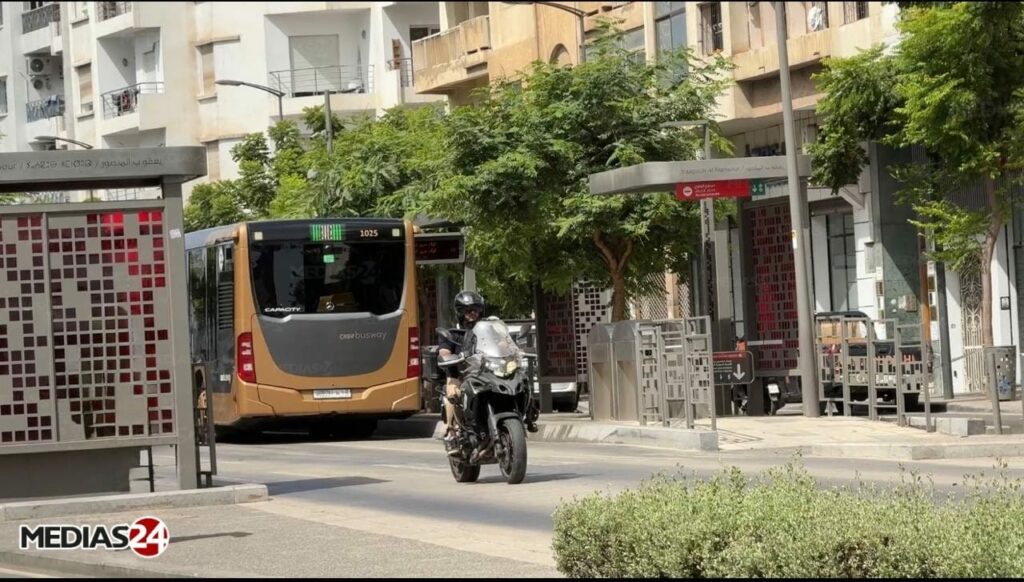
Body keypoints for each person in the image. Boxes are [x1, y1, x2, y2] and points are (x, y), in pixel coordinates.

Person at [438, 290, 486, 455]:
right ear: (460, 312)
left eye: (476, 310)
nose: (472, 314)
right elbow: (444, 351)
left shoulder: (486, 332)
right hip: (459, 375)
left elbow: (502, 343)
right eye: (468, 310)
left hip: (485, 374)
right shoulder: (453, 335)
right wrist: (449, 356)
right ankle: (453, 433)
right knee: (453, 393)